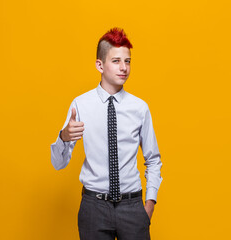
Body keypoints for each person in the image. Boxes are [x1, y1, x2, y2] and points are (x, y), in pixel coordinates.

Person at [50, 27, 162, 240]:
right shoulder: (80, 105)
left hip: (132, 208)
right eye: (116, 61)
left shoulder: (140, 108)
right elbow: (58, 164)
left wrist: (149, 204)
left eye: (127, 61)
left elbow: (153, 159)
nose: (124, 68)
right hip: (94, 208)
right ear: (99, 65)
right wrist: (63, 137)